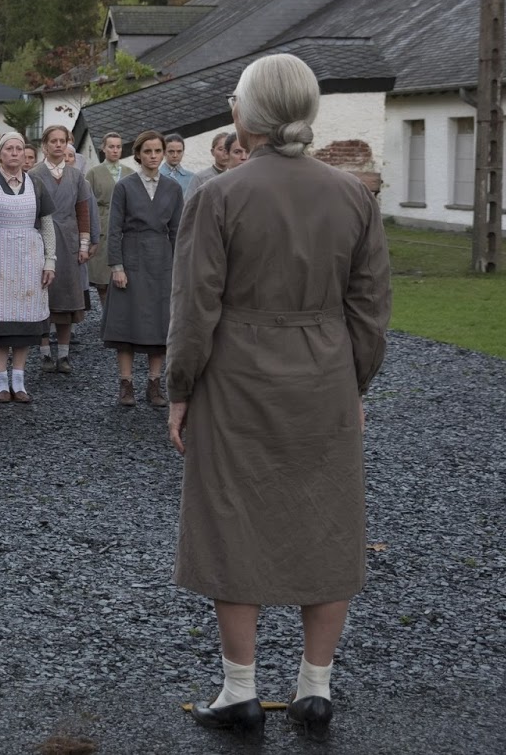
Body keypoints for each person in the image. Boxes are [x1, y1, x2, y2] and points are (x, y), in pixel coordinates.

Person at [170, 53, 391, 740]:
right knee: (328, 523)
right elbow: (370, 310)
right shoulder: (354, 196)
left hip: (235, 379)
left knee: (231, 520)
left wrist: (180, 389)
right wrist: (354, 383)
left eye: (236, 100)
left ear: (250, 113)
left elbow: (194, 310)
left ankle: (239, 689)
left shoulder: (218, 196)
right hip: (325, 377)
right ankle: (314, 686)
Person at [0, 132, 56, 403]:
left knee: (25, 323)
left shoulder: (36, 184)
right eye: (9, 149)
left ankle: (19, 378)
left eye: (19, 148)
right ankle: (1, 380)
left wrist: (50, 260)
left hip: (30, 261)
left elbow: (47, 225)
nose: (15, 153)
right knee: (0, 323)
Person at [103, 131, 183, 407]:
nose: (153, 156)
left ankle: (154, 384)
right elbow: (114, 229)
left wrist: (179, 269)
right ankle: (126, 385)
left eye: (157, 151)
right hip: (131, 258)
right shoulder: (124, 186)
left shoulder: (173, 188)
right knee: (127, 322)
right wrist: (117, 266)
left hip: (162, 261)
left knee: (159, 323)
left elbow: (177, 231)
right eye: (147, 151)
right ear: (138, 154)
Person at [29, 125, 91, 373]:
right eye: (53, 141)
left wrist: (84, 244)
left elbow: (83, 211)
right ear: (44, 145)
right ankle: (44, 353)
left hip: (69, 240)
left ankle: (64, 355)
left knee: (67, 298)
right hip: (41, 240)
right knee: (44, 297)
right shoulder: (33, 174)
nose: (58, 145)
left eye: (62, 141)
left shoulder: (76, 176)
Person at [87, 132, 133, 312]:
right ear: (103, 148)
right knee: (103, 278)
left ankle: (122, 317)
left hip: (125, 225)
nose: (115, 150)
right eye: (111, 146)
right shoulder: (93, 173)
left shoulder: (130, 173)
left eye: (118, 147)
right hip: (102, 224)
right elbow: (86, 204)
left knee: (126, 275)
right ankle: (106, 315)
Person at [185, 131, 235, 201]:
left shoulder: (236, 177)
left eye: (228, 149)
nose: (224, 154)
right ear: (212, 152)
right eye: (220, 149)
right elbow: (189, 202)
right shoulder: (200, 178)